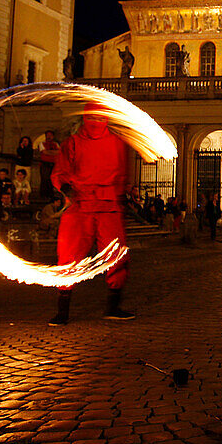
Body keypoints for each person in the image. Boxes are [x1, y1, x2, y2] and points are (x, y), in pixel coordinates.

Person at [48, 104, 135, 325]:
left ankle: (112, 306)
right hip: (81, 204)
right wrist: (66, 188)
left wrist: (123, 193)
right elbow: (60, 170)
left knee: (116, 255)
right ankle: (63, 309)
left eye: (100, 116)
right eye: (92, 117)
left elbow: (124, 172)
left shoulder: (117, 143)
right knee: (68, 255)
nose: (96, 121)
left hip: (107, 205)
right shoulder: (73, 143)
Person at [36, 130, 62, 200]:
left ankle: (51, 195)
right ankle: (43, 195)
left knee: (52, 180)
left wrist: (49, 152)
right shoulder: (42, 143)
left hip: (53, 164)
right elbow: (44, 152)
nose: (49, 137)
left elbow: (59, 152)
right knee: (45, 179)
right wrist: (53, 152)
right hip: (45, 164)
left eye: (50, 135)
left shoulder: (56, 144)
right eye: (48, 135)